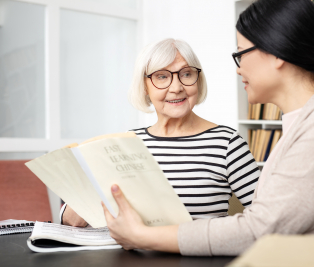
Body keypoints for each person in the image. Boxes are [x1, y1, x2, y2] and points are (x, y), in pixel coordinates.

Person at [100, 0, 314, 263]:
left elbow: (262, 228)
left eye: (241, 53)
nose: (238, 68)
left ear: (276, 52)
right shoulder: (313, 117)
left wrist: (143, 237)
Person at [60, 39, 260, 226]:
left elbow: (267, 215)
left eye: (187, 74)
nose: (176, 87)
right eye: (162, 77)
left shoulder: (226, 142)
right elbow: (73, 221)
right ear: (145, 86)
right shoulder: (127, 143)